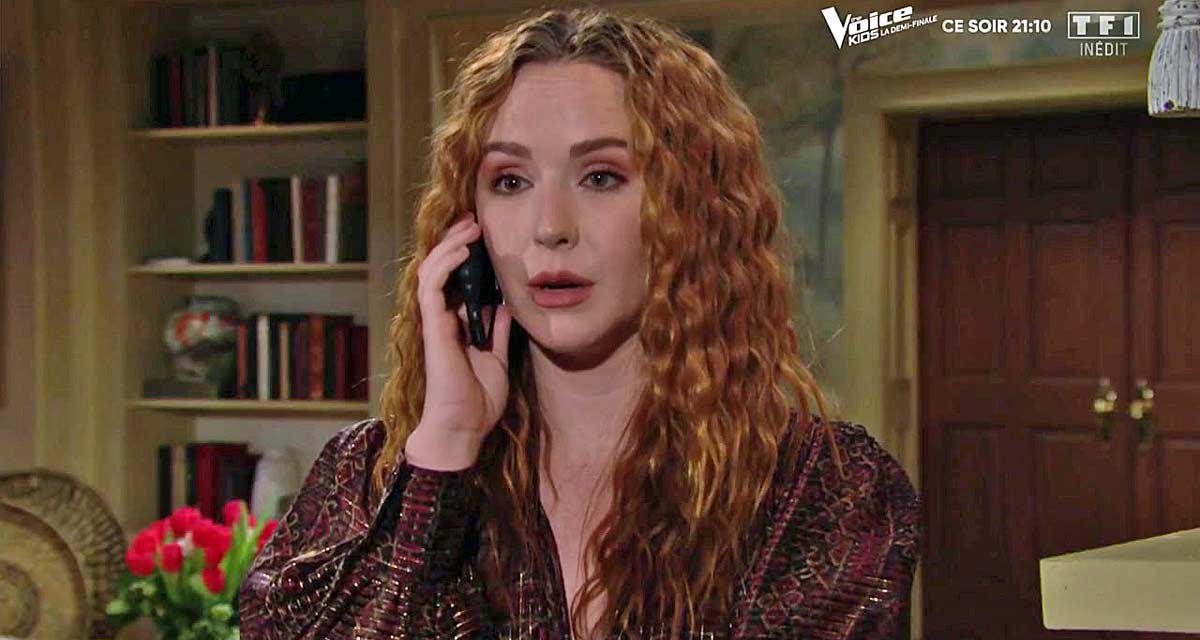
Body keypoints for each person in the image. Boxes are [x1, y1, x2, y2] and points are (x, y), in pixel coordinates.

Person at [239, 7, 921, 639]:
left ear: (691, 211)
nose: (549, 228)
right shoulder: (369, 478)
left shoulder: (825, 492)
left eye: (600, 177)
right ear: (468, 225)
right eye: (510, 181)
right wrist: (444, 453)